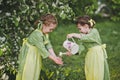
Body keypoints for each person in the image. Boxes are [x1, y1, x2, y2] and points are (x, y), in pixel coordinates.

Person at [16, 14, 63, 80]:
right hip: (29, 57)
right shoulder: (37, 35)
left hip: (36, 56)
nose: (51, 31)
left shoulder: (45, 34)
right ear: (44, 25)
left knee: (35, 72)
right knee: (29, 73)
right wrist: (54, 59)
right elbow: (43, 49)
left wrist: (55, 56)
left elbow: (48, 45)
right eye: (51, 29)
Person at [66, 15, 110, 80]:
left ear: (86, 26)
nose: (79, 31)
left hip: (98, 55)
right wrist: (72, 52)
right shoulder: (82, 36)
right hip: (91, 56)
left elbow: (88, 37)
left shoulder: (94, 32)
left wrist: (74, 34)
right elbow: (81, 47)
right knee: (91, 70)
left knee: (99, 71)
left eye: (79, 28)